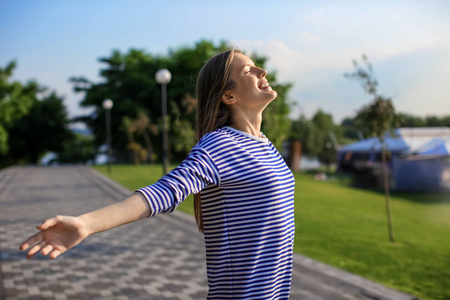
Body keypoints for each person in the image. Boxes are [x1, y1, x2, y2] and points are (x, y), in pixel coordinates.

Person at [19, 50, 296, 299]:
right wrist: (86, 224)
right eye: (248, 70)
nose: (263, 72)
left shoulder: (264, 143)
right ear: (228, 96)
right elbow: (165, 191)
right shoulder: (221, 145)